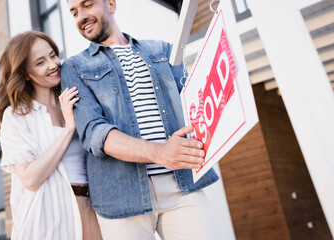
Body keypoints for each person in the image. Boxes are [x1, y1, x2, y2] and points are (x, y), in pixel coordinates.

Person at [61, 0, 220, 239]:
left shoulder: (164, 50)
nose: (81, 17)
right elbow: (95, 133)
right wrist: (160, 153)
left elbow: (194, 101)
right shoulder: (74, 67)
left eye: (88, 5)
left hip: (183, 186)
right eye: (74, 12)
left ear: (111, 4)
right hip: (121, 200)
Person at [0, 31, 102, 240]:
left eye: (53, 55)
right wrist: (69, 128)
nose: (53, 65)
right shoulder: (17, 117)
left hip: (93, 208)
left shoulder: (76, 100)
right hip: (49, 216)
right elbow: (31, 178)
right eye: (40, 62)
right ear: (24, 73)